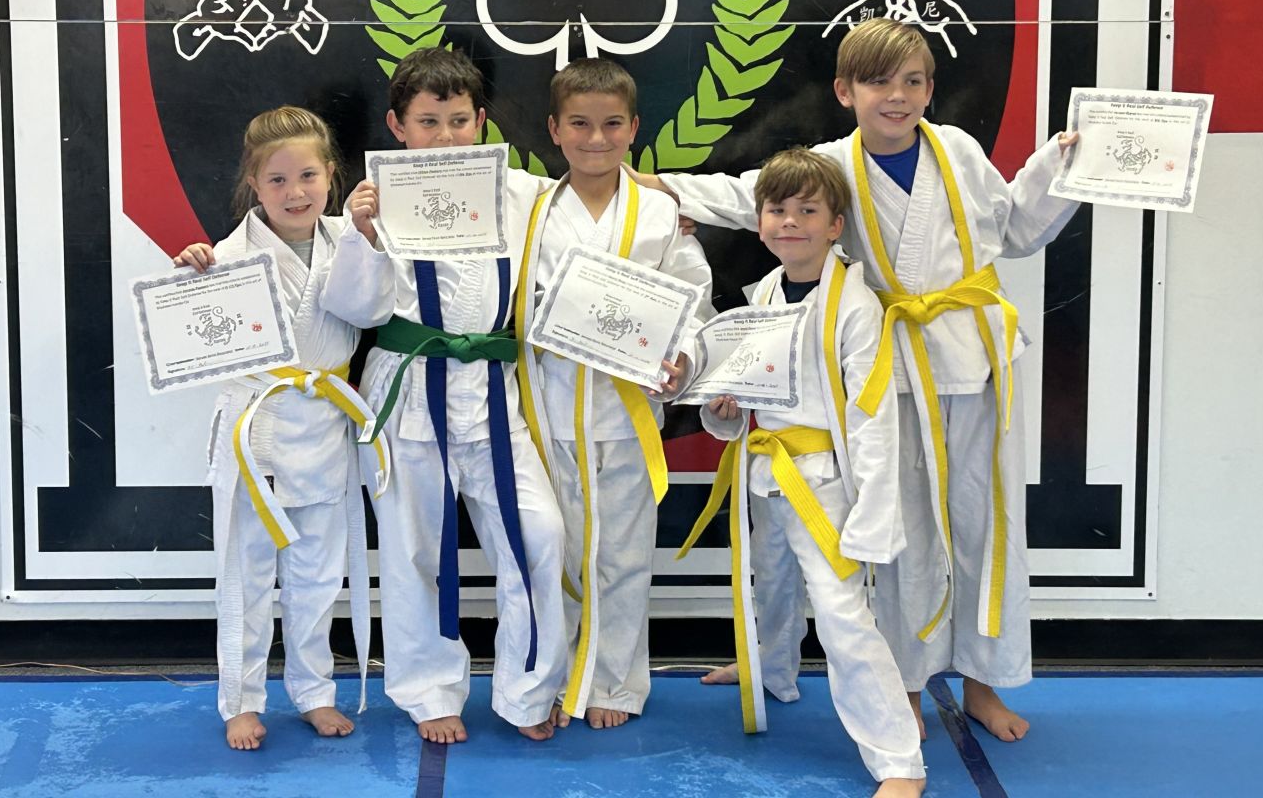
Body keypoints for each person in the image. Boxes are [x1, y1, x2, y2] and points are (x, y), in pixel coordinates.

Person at [634, 18, 1080, 742]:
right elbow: (750, 197)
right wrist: (655, 190)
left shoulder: (958, 151)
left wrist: (1063, 166)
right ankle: (905, 686)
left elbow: (1018, 228)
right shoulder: (831, 165)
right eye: (878, 82)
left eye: (912, 81)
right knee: (904, 538)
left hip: (976, 360)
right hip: (889, 372)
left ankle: (984, 683)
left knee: (986, 522)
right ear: (845, 91)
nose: (896, 96)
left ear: (930, 89)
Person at [321, 47, 567, 744]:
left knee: (540, 534)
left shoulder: (524, 193)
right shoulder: (371, 203)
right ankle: (428, 690)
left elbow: (591, 220)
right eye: (428, 122)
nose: (446, 137)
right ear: (397, 127)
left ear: (481, 121)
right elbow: (356, 311)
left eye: (459, 120)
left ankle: (527, 690)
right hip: (406, 389)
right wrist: (363, 238)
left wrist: (667, 211)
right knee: (414, 551)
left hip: (493, 391)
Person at [685, 147, 924, 796]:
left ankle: (899, 761)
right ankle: (772, 670)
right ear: (759, 221)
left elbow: (873, 416)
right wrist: (727, 409)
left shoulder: (856, 307)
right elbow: (751, 393)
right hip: (767, 468)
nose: (789, 222)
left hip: (825, 483)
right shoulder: (764, 293)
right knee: (773, 583)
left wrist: (873, 512)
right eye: (776, 209)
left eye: (807, 211)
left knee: (843, 615)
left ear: (836, 225)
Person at [516, 59, 713, 729]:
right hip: (547, 408)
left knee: (623, 555)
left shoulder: (660, 213)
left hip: (627, 411)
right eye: (579, 124)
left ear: (634, 129)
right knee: (556, 552)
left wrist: (683, 360)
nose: (595, 139)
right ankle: (553, 677)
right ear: (554, 130)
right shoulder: (531, 208)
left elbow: (694, 301)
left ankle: (615, 684)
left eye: (610, 125)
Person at [175, 106, 378, 752]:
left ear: (332, 176)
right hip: (256, 431)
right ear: (254, 185)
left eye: (308, 176)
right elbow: (193, 329)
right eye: (278, 180)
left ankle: (314, 691)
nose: (295, 193)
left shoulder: (353, 238)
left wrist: (370, 239)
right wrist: (192, 274)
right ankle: (240, 700)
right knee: (247, 575)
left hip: (324, 426)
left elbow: (377, 305)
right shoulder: (226, 256)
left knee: (318, 576)